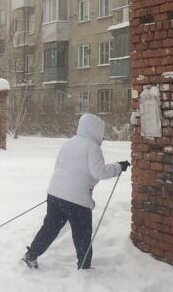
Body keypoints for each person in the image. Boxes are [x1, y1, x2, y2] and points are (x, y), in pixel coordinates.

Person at [21, 112, 129, 270]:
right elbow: (99, 172)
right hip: (77, 200)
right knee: (82, 234)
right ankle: (84, 266)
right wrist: (118, 167)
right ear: (96, 130)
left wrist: (61, 190)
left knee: (50, 228)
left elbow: (59, 166)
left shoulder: (69, 143)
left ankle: (31, 255)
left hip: (55, 194)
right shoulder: (92, 147)